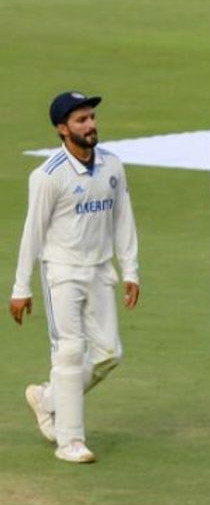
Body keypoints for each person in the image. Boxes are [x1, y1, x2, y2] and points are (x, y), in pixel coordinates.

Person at [10, 91, 140, 463]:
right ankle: (69, 441)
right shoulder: (47, 176)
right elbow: (32, 233)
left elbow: (123, 218)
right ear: (62, 129)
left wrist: (130, 269)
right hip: (62, 272)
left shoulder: (112, 165)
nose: (91, 125)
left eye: (92, 117)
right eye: (81, 120)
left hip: (100, 270)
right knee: (69, 352)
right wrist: (21, 287)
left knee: (109, 354)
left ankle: (47, 399)